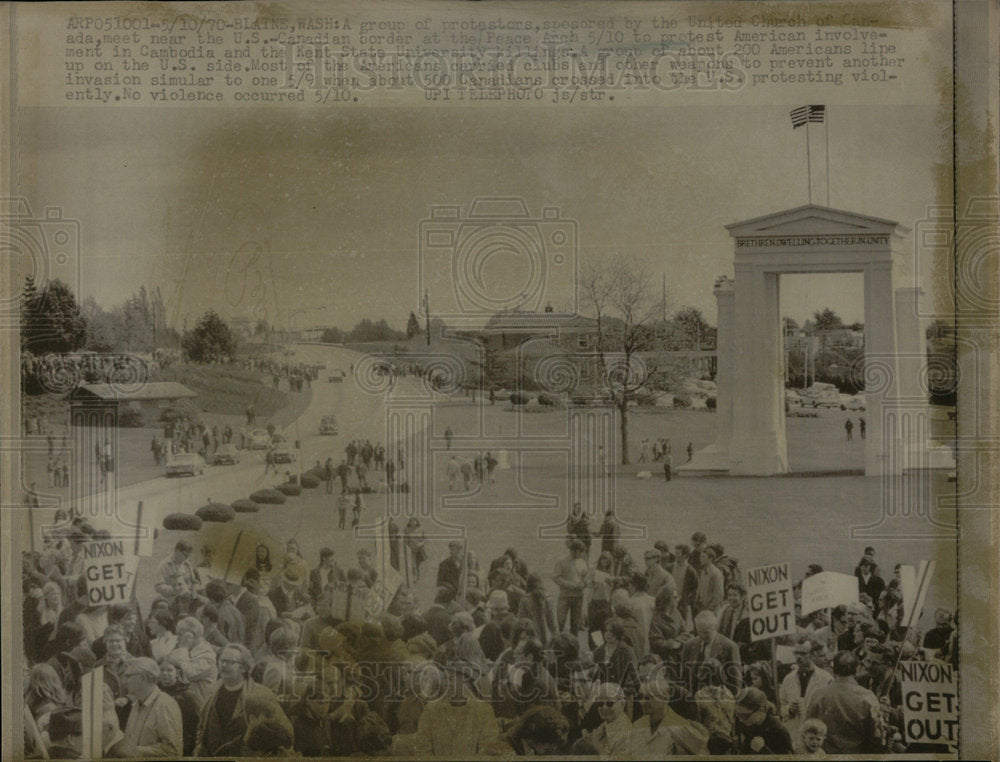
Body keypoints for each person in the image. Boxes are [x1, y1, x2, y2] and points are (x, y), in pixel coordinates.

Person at [193, 644, 290, 757]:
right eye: (222, 661)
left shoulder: (260, 695)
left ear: (244, 667)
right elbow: (202, 729)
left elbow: (281, 736)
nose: (224, 665)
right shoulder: (211, 691)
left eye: (230, 662)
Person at [806, 651, 885, 755]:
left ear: (834, 670)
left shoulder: (818, 695)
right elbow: (878, 736)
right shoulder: (867, 696)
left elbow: (807, 728)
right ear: (856, 669)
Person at [118, 657, 183, 757]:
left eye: (128, 676)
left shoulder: (165, 705)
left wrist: (133, 750)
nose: (124, 681)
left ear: (143, 678)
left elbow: (172, 750)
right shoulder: (136, 704)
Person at [681, 610, 742, 696]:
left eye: (706, 632)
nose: (702, 636)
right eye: (699, 632)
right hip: (692, 698)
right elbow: (684, 677)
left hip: (717, 698)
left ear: (715, 627)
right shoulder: (689, 645)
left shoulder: (730, 647)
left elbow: (736, 683)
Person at [157, 654, 202, 756]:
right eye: (162, 670)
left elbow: (198, 724)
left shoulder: (188, 695)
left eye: (169, 670)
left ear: (177, 673)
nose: (165, 673)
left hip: (183, 745)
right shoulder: (154, 693)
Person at [734, 686, 793, 754]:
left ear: (761, 710)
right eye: (738, 715)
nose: (741, 720)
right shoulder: (750, 725)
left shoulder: (779, 731)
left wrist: (763, 750)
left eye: (744, 716)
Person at [581, 682, 632, 757]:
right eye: (600, 703)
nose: (604, 707)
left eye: (609, 703)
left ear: (622, 704)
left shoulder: (627, 733)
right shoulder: (604, 726)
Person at [553, 540, 589, 636]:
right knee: (560, 622)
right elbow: (556, 578)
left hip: (578, 597)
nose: (581, 554)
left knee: (575, 624)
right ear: (573, 550)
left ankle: (573, 646)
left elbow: (586, 576)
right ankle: (558, 644)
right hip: (565, 596)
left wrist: (584, 583)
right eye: (580, 551)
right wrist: (570, 585)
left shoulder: (582, 562)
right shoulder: (561, 561)